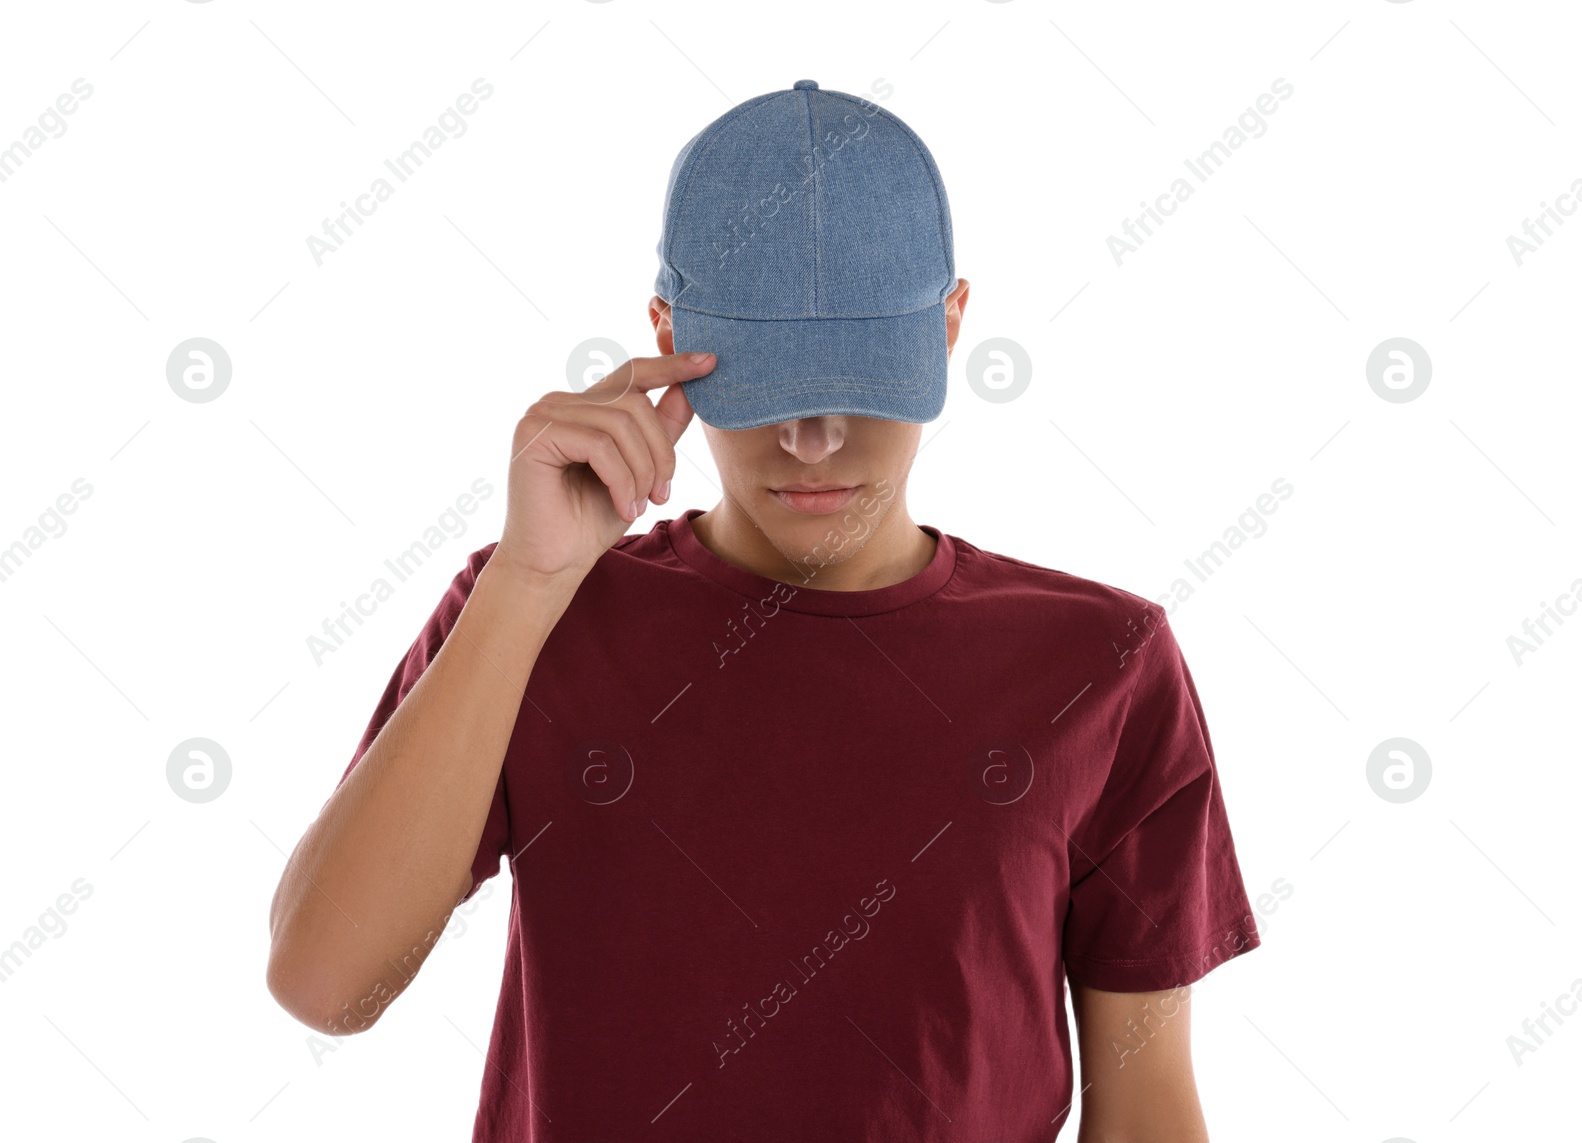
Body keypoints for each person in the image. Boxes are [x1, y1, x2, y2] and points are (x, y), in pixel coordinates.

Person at [266, 79, 1261, 1142]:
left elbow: (1147, 1103)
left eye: (859, 377)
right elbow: (328, 988)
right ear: (663, 334)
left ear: (951, 325)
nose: (813, 438)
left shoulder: (1101, 661)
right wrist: (524, 587)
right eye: (767, 379)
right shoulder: (529, 614)